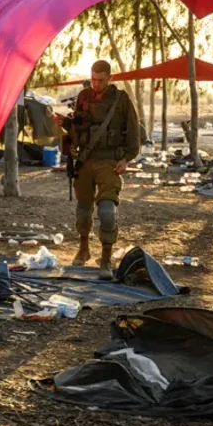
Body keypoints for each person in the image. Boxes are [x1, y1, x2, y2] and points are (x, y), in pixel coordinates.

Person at [68, 60, 139, 277]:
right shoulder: (83, 97)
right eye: (93, 79)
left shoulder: (121, 100)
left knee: (108, 211)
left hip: (110, 161)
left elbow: (134, 133)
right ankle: (83, 249)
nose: (96, 84)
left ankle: (106, 258)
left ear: (110, 78)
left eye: (100, 80)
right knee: (83, 209)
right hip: (85, 160)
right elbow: (77, 126)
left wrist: (126, 159)